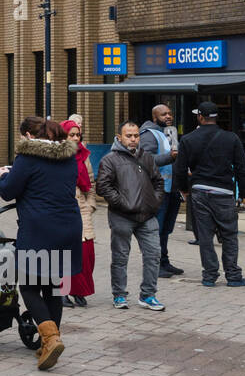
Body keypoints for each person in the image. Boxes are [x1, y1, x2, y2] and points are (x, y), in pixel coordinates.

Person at [0, 117, 81, 371]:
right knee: (53, 287)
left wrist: (4, 175)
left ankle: (50, 338)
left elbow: (8, 191)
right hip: (67, 227)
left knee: (30, 286)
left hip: (39, 229)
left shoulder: (27, 158)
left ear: (30, 137)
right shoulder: (68, 158)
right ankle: (50, 340)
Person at [173, 101, 245, 288]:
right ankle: (233, 276)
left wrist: (183, 189)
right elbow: (241, 167)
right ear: (216, 118)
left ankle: (209, 275)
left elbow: (180, 169)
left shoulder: (188, 140)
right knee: (229, 234)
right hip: (224, 192)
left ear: (200, 117)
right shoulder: (231, 138)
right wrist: (243, 192)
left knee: (205, 236)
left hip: (199, 191)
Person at [96, 121, 166, 312]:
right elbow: (103, 187)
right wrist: (123, 203)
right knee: (120, 257)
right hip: (122, 216)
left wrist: (154, 202)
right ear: (119, 137)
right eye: (129, 135)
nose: (133, 139)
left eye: (136, 135)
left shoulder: (147, 158)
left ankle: (148, 295)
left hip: (147, 216)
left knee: (153, 255)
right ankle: (119, 295)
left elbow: (158, 182)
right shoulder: (110, 159)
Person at [140, 104, 184, 277]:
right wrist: (169, 157)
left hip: (171, 188)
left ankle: (164, 262)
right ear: (154, 117)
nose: (168, 116)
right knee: (155, 230)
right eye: (164, 114)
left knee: (166, 229)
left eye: (170, 113)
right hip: (157, 190)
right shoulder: (149, 135)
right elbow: (145, 159)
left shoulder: (169, 133)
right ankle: (154, 266)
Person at [60, 120, 96, 307]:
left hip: (82, 209)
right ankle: (63, 291)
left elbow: (91, 184)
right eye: (71, 134)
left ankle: (80, 291)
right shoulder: (57, 156)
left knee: (86, 253)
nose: (75, 138)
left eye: (77, 134)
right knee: (65, 252)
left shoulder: (84, 155)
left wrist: (90, 205)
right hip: (63, 210)